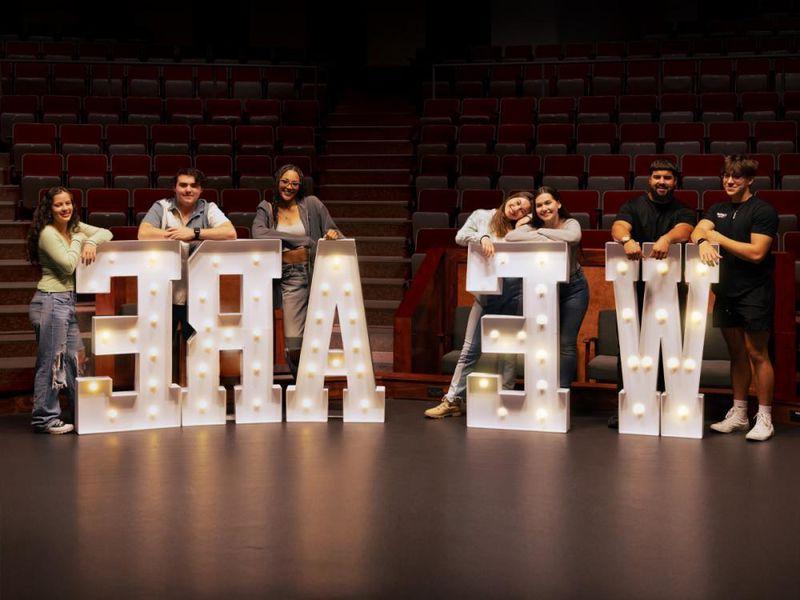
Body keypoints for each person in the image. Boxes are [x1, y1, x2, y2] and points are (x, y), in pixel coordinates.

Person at [692, 155, 778, 441]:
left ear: (750, 180)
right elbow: (697, 230)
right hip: (725, 291)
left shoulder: (762, 210)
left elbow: (756, 253)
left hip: (754, 291)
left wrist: (717, 238)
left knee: (757, 354)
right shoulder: (717, 208)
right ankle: (739, 413)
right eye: (726, 176)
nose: (729, 181)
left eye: (737, 177)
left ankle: (764, 417)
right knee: (737, 354)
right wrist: (704, 240)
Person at [424, 192, 533, 418]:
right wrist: (483, 237)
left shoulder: (522, 229)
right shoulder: (482, 216)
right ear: (509, 198)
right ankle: (452, 400)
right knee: (469, 351)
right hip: (486, 295)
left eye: (523, 210)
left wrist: (522, 226)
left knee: (509, 353)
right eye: (516, 203)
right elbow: (461, 237)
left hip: (514, 293)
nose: (516, 209)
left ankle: (507, 400)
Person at [608, 159, 696, 428]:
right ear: (649, 179)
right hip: (635, 290)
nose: (661, 182)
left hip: (671, 290)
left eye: (667, 178)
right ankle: (628, 405)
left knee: (671, 350)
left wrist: (667, 238)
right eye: (657, 177)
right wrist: (626, 240)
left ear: (675, 182)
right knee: (631, 350)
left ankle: (665, 405)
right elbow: (619, 226)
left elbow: (686, 230)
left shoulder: (683, 209)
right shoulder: (633, 205)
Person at [137, 168, 237, 382]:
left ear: (200, 190)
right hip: (165, 294)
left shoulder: (209, 208)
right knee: (161, 349)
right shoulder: (161, 207)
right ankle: (164, 397)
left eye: (193, 185)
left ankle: (197, 396)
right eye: (183, 185)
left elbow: (230, 233)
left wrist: (194, 233)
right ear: (175, 188)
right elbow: (143, 233)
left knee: (200, 350)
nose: (188, 189)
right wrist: (175, 235)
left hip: (199, 295)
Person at [27, 187, 113, 434]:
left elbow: (106, 232)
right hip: (50, 301)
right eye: (58, 205)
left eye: (68, 203)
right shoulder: (49, 233)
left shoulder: (73, 228)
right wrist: (80, 239)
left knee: (76, 359)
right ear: (49, 208)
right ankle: (44, 419)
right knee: (52, 361)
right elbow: (67, 266)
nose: (65, 208)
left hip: (65, 303)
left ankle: (82, 413)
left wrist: (90, 240)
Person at [251, 164, 342, 378]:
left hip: (306, 274)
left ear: (300, 186)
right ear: (277, 182)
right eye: (285, 181)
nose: (289, 187)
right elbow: (259, 233)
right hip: (279, 276)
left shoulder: (311, 204)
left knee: (305, 337)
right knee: (279, 337)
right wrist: (302, 240)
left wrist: (332, 234)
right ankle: (300, 381)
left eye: (294, 183)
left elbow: (334, 230)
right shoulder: (266, 207)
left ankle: (306, 383)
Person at [506, 186, 589, 388]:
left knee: (566, 344)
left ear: (558, 203)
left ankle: (562, 393)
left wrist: (541, 231)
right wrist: (542, 232)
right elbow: (511, 237)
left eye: (548, 203)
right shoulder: (532, 225)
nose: (544, 208)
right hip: (543, 291)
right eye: (539, 205)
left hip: (573, 288)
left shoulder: (570, 223)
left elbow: (573, 237)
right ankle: (543, 392)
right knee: (540, 342)